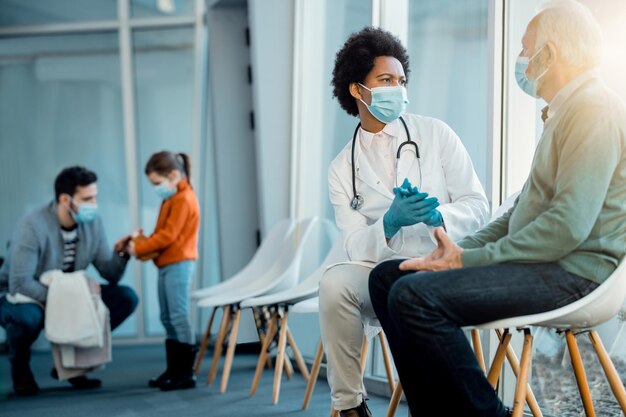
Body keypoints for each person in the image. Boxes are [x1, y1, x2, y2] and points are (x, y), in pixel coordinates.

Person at [368, 1, 626, 416]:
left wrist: (469, 259)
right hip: (548, 264)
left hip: (574, 272)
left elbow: (567, 227)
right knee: (387, 278)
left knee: (415, 298)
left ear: (551, 54)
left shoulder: (593, 109)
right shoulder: (563, 113)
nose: (521, 60)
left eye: (526, 49)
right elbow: (519, 212)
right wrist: (456, 250)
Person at [319, 27, 490, 417]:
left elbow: (479, 205)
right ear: (357, 90)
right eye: (385, 80)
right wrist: (389, 224)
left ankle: (431, 404)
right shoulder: (340, 169)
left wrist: (438, 216)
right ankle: (350, 406)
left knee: (408, 291)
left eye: (401, 80)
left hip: (440, 266)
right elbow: (354, 245)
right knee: (334, 283)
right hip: (383, 272)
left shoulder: (436, 135)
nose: (397, 88)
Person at [0, 166, 139, 396]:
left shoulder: (93, 223)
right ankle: (20, 367)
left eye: (95, 197)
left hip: (66, 294)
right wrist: (67, 301)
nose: (94, 204)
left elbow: (110, 274)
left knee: (125, 298)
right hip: (21, 297)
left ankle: (73, 366)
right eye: (87, 198)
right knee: (27, 319)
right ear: (65, 199)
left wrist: (122, 254)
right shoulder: (32, 225)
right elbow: (20, 283)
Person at [129, 151, 200, 391]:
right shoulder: (171, 197)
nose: (156, 188)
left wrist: (138, 248)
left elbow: (168, 236)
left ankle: (185, 373)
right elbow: (162, 234)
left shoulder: (183, 198)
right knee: (167, 317)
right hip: (166, 263)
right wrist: (143, 242)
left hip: (179, 263)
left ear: (172, 175)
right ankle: (174, 370)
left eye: (157, 183)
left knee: (178, 316)